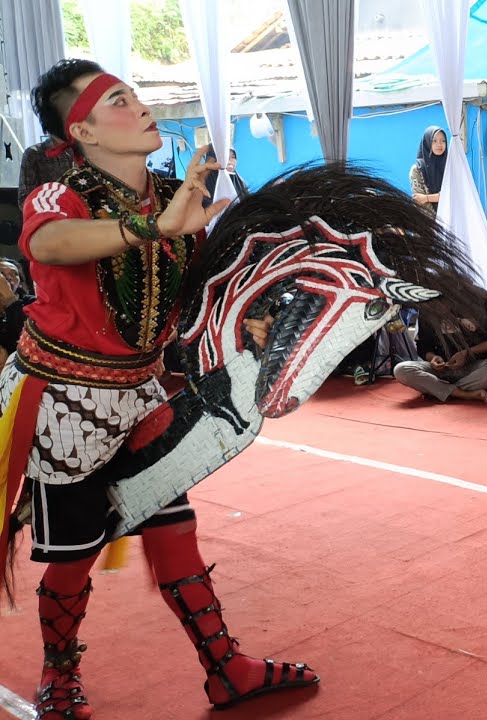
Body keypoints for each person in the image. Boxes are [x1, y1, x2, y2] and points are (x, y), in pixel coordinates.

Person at [0, 59, 318, 719]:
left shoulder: (175, 196)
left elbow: (193, 296)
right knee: (76, 552)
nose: (141, 106)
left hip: (142, 393)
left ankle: (225, 667)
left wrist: (252, 308)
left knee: (174, 527)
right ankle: (59, 673)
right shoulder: (58, 196)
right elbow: (49, 245)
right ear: (82, 131)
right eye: (118, 100)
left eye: (135, 94)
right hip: (63, 402)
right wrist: (156, 227)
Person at [393, 289, 487, 403]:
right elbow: (424, 345)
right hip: (443, 369)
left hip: (474, 367)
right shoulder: (428, 307)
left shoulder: (484, 300)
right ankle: (461, 393)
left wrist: (467, 353)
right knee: (401, 370)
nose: (441, 308)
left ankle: (437, 390)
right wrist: (433, 358)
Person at [17, 138, 75, 206]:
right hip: (46, 209)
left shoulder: (75, 151)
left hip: (73, 207)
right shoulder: (34, 153)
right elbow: (25, 199)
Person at [0, 259, 35, 364]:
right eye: (1, 273)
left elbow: (30, 339)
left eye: (14, 274)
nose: (8, 277)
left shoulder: (32, 303)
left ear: (19, 283)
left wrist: (10, 300)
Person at [410, 125, 447, 215]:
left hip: (452, 216)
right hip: (429, 220)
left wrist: (426, 198)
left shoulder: (450, 166)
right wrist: (438, 221)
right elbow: (419, 201)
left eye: (443, 141)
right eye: (434, 141)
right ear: (427, 142)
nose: (439, 145)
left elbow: (454, 195)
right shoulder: (417, 169)